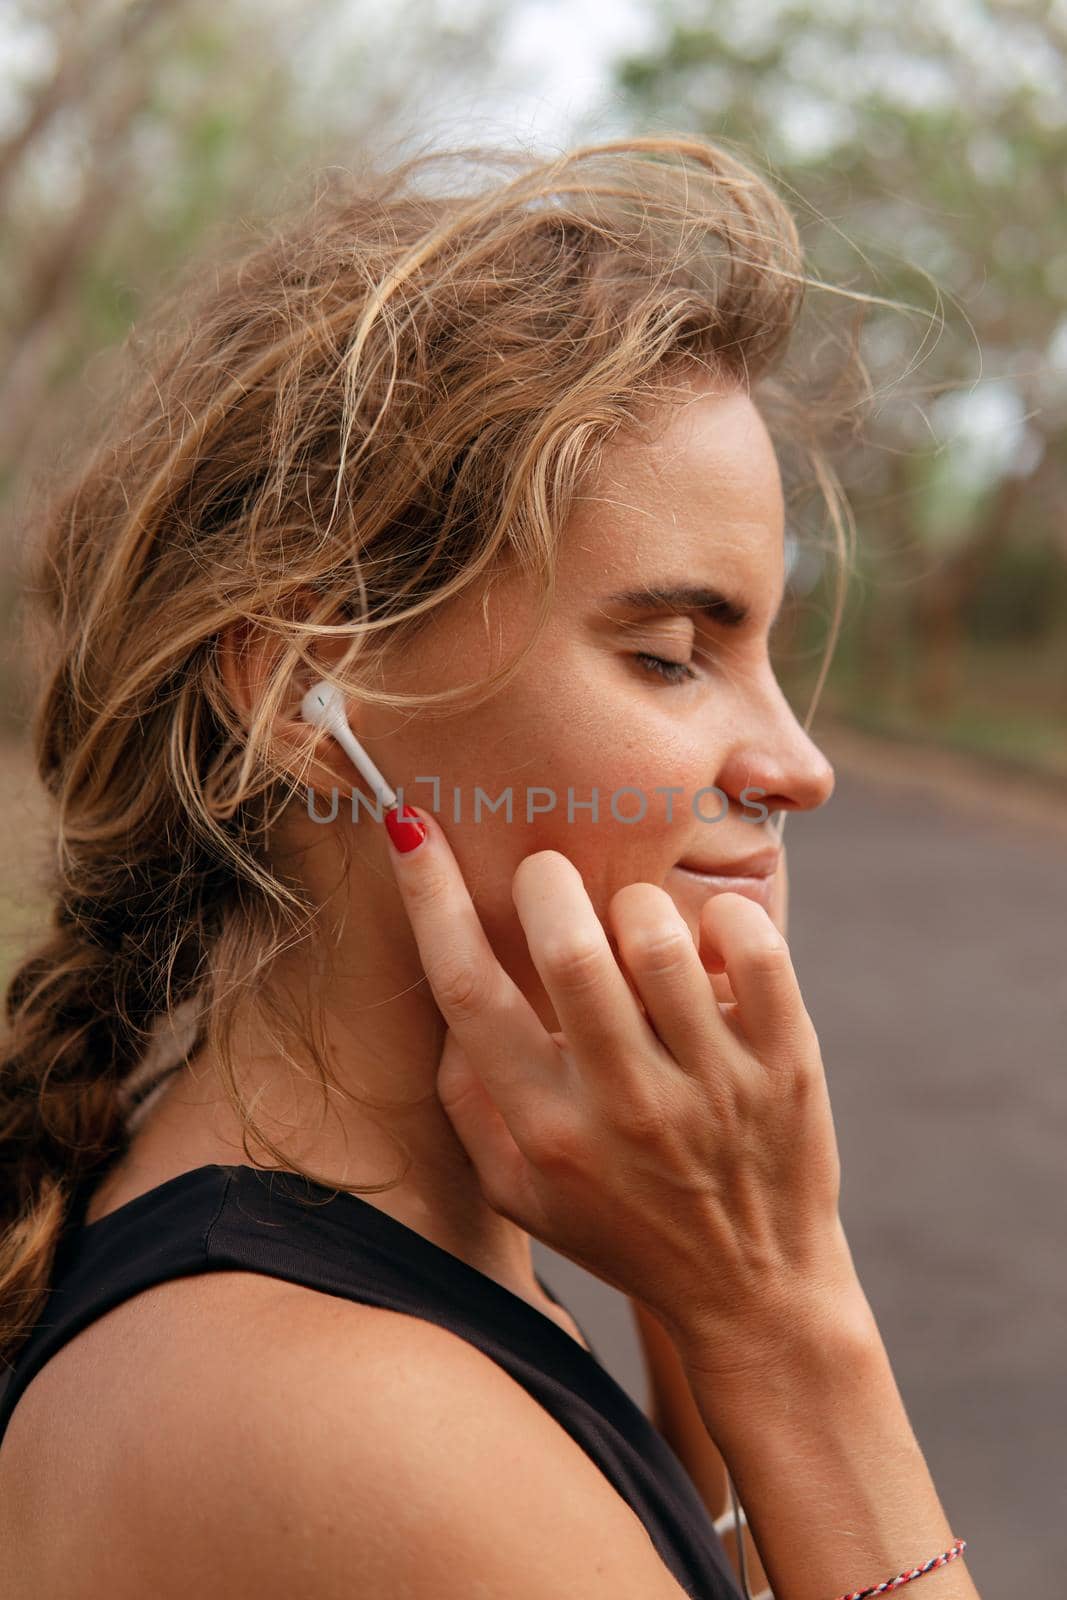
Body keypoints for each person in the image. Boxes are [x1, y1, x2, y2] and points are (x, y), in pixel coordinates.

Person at [0, 135, 978, 1599]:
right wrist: (787, 1319)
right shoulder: (349, 1428)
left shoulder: (368, 1240)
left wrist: (697, 1344)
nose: (796, 764)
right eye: (670, 656)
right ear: (308, 703)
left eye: (766, 652)